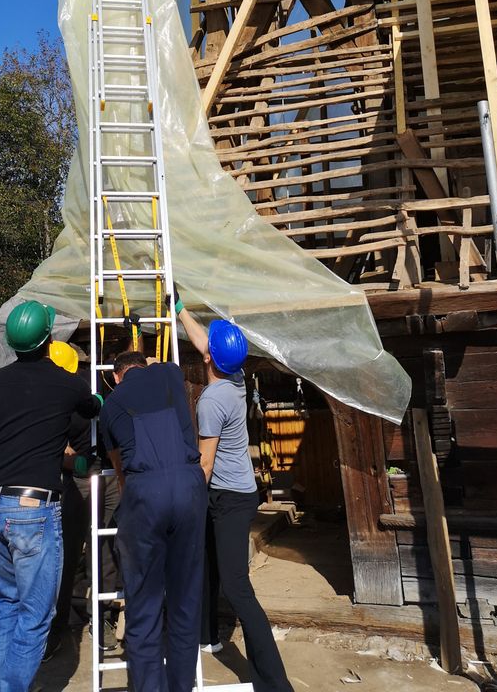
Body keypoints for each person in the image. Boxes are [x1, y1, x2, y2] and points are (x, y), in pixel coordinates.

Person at [0, 300, 103, 692]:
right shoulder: (65, 383)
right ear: (48, 339)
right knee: (36, 614)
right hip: (31, 509)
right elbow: (92, 406)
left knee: (7, 604)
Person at [172, 290, 295, 692]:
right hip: (232, 491)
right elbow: (205, 344)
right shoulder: (236, 377)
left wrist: (186, 506)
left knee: (237, 586)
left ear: (211, 360)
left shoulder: (211, 401)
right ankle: (207, 636)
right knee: (206, 562)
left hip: (229, 498)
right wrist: (179, 309)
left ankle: (275, 681)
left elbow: (205, 465)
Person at [98, 349, 207, 692]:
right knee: (185, 602)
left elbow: (119, 470)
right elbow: (162, 364)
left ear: (116, 376)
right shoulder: (170, 375)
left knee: (144, 603)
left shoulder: (110, 406)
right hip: (189, 487)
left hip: (144, 492)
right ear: (144, 366)